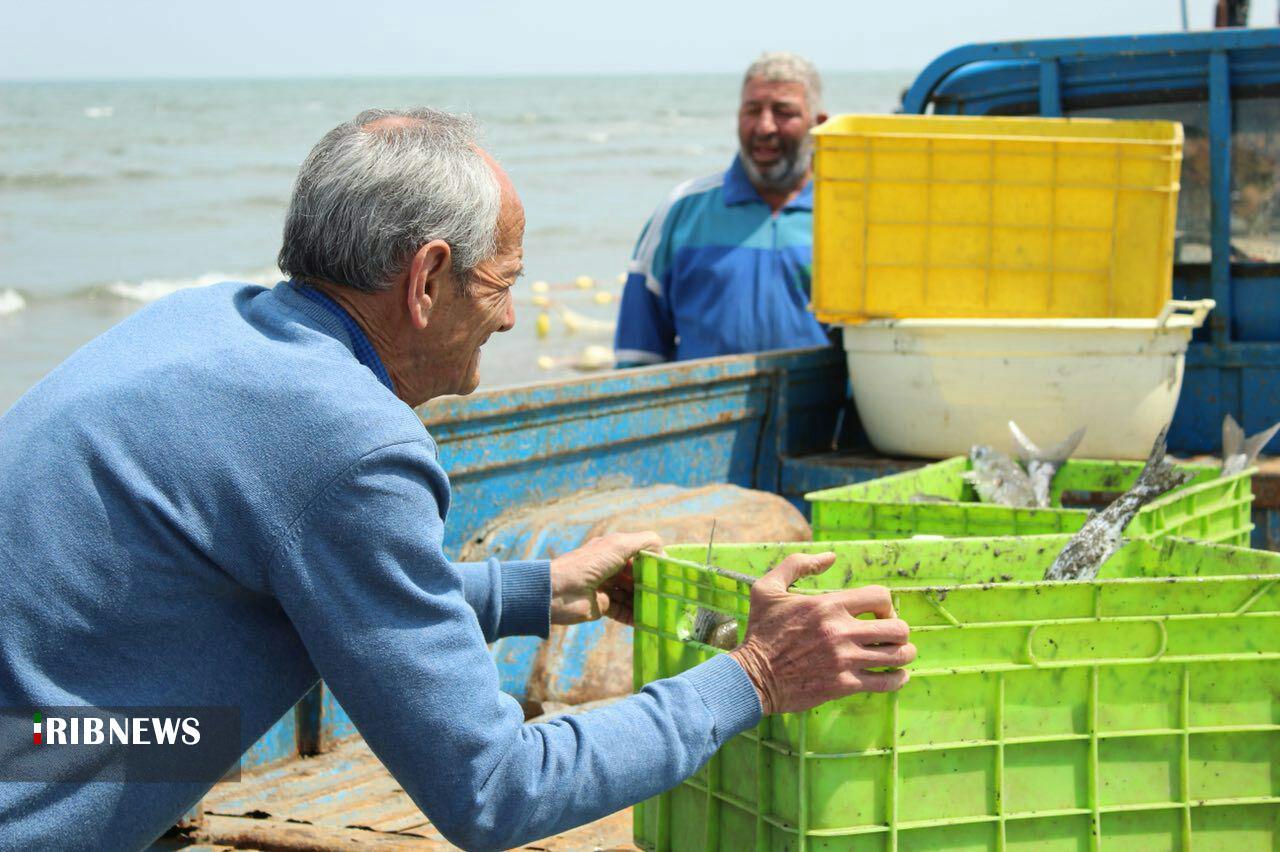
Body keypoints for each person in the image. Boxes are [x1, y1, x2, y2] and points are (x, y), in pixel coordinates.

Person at [0, 108, 914, 850]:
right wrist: (756, 675)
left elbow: (334, 591)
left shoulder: (209, 321)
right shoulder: (349, 442)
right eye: (503, 282)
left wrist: (540, 588)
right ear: (428, 277)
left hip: (38, 740)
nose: (512, 318)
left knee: (207, 726)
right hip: (40, 786)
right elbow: (498, 793)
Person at [613, 52, 831, 367]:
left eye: (784, 112)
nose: (764, 126)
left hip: (825, 414)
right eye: (752, 110)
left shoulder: (847, 214)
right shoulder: (683, 210)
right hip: (708, 414)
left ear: (818, 124)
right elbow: (637, 351)